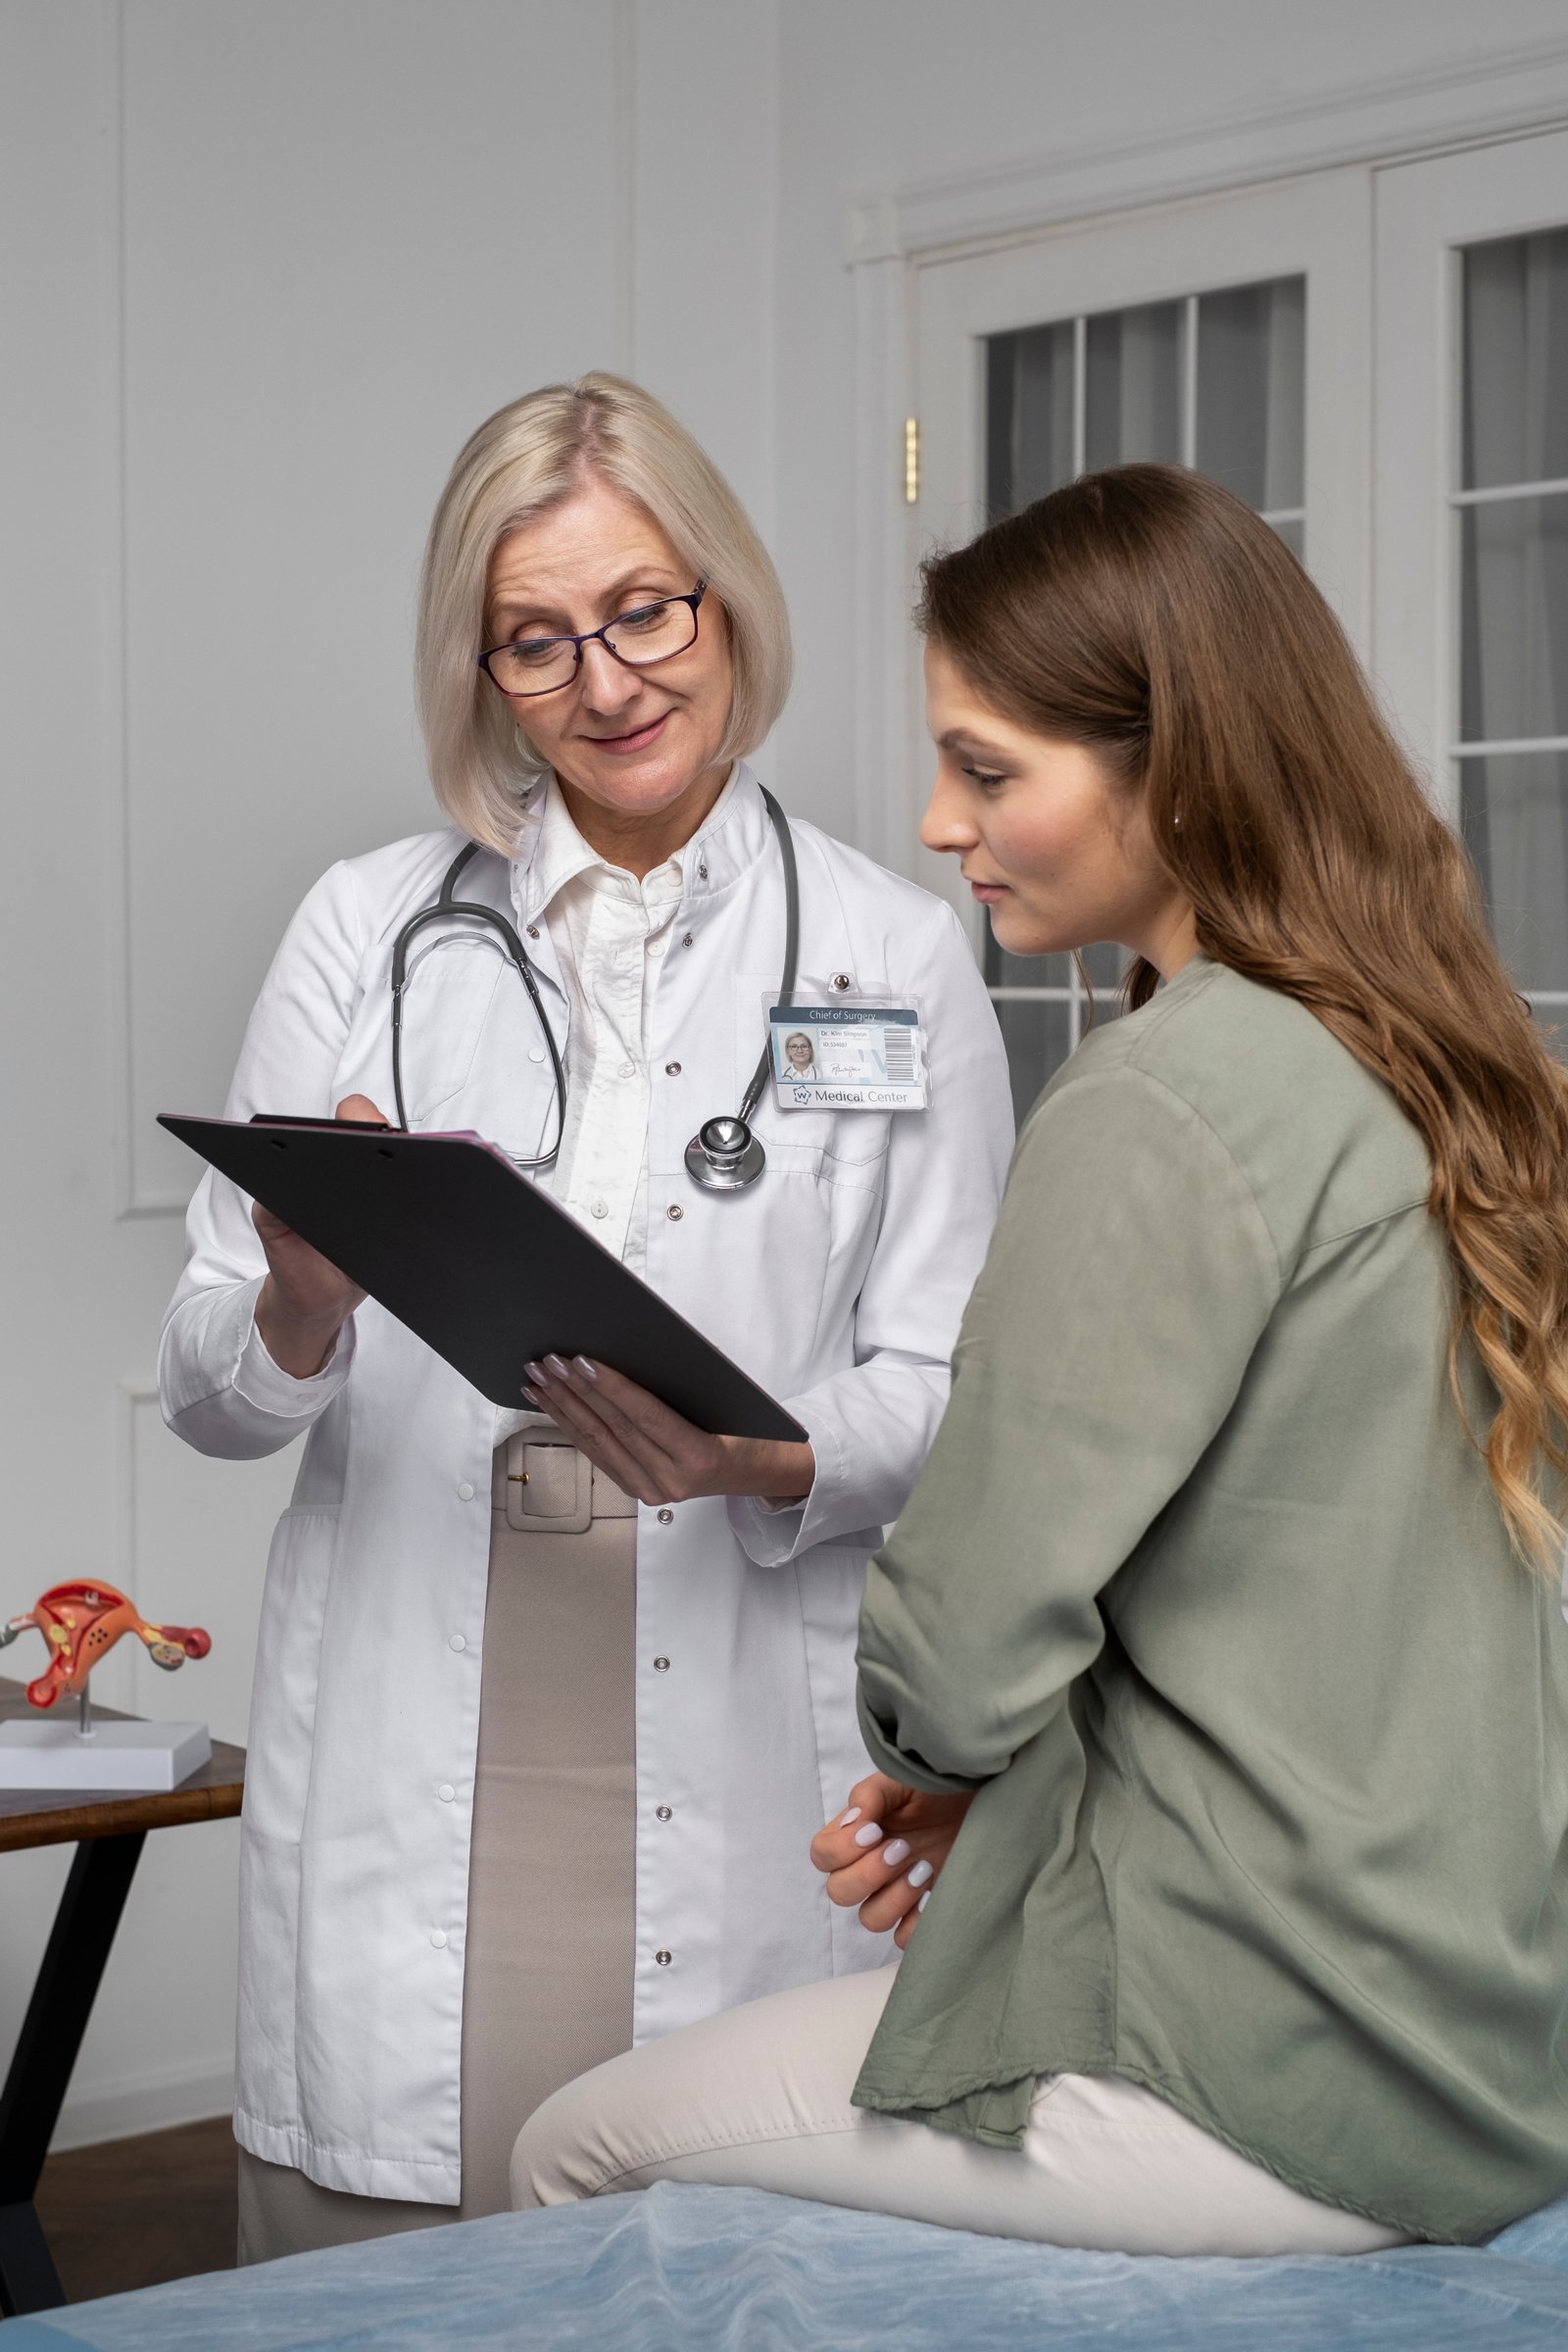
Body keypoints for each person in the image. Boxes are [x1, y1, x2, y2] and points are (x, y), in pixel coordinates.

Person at [509, 464, 1568, 2256]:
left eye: (991, 770)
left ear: (1185, 766)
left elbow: (958, 1653)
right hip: (1488, 2051)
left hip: (1263, 2079)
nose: (938, 820)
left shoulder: (1161, 1099)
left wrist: (944, 1741)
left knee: (570, 2150)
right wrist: (999, 1774)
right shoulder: (1438, 1060)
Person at [159, 373, 1013, 2259]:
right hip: (423, 1710)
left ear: (725, 603)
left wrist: (767, 1456)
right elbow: (211, 1393)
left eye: (645, 612)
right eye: (535, 642)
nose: (607, 681)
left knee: (710, 2254)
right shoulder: (366, 929)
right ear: (478, 670)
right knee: (373, 2269)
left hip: (731, 1688)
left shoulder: (894, 950)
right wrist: (301, 1301)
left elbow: (953, 1389)